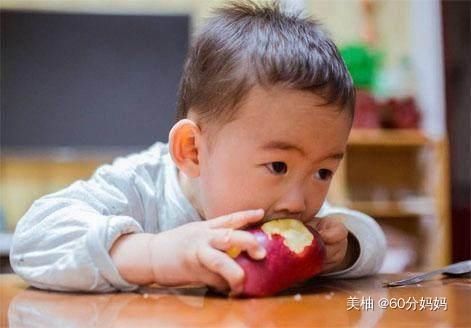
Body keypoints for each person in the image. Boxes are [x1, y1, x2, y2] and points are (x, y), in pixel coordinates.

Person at [10, 1, 386, 295]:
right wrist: (154, 256)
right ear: (192, 151)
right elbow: (32, 242)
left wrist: (345, 250)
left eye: (323, 172)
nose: (299, 202)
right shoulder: (139, 188)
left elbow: (370, 238)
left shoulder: (290, 212)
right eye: (277, 166)